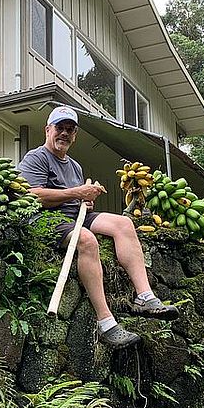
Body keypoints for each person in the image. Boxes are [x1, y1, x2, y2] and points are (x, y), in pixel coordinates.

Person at [18, 105, 178, 349]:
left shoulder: (75, 166)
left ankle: (145, 296)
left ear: (75, 135)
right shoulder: (36, 157)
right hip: (47, 220)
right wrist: (76, 192)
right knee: (87, 240)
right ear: (47, 130)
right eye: (59, 128)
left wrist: (85, 200)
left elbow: (75, 199)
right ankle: (106, 323)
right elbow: (32, 196)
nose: (64, 133)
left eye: (70, 130)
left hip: (76, 215)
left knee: (124, 223)